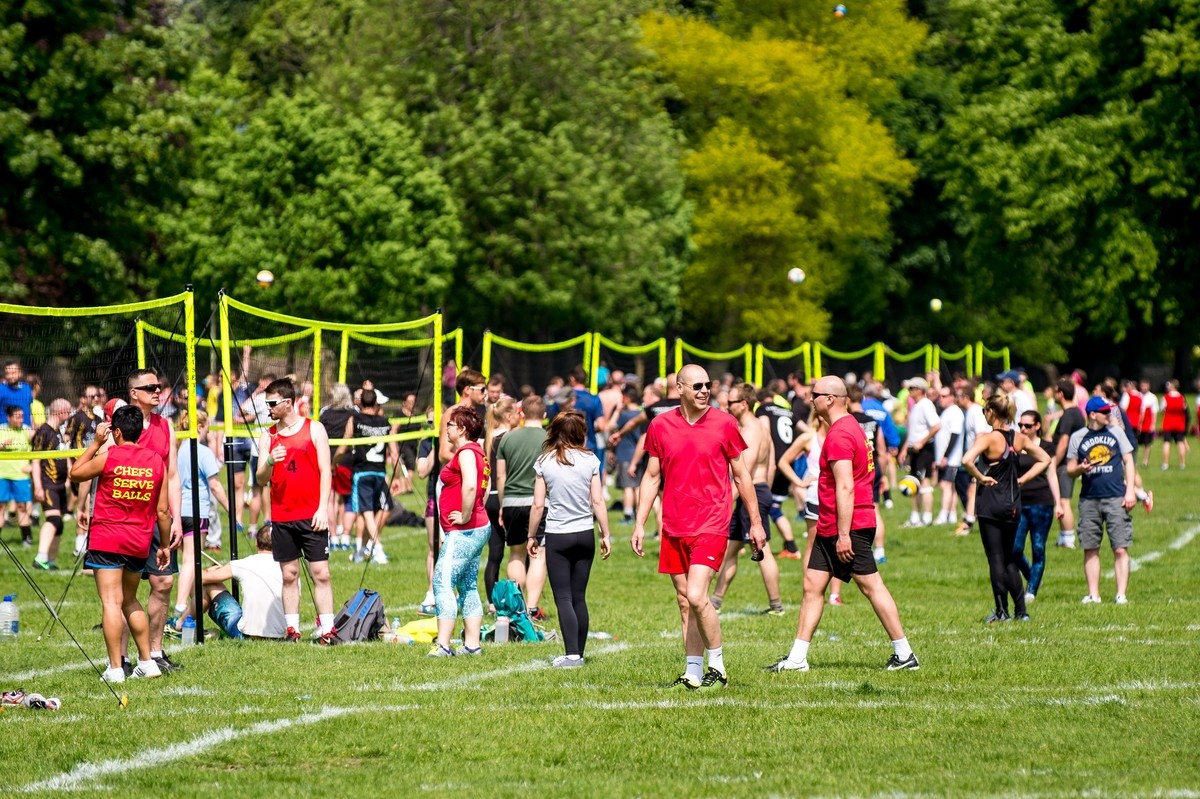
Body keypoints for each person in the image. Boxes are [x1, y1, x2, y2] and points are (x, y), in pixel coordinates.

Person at [766, 376, 918, 673]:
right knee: (812, 585)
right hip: (831, 523)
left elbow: (846, 486)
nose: (811, 400)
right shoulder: (850, 428)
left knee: (871, 586)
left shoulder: (839, 435)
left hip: (847, 525)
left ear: (831, 399)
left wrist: (845, 535)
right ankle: (797, 658)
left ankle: (904, 654)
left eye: (816, 395)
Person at [631, 365, 766, 691]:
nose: (705, 391)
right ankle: (692, 672)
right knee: (684, 600)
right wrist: (639, 522)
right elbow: (651, 476)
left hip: (712, 522)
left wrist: (756, 522)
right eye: (697, 386)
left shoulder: (724, 423)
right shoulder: (660, 425)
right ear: (680, 389)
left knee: (696, 595)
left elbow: (741, 474)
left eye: (708, 385)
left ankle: (717, 668)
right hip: (674, 525)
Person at [70, 406, 174, 683]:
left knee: (111, 603)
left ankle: (116, 669)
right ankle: (147, 662)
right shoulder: (155, 460)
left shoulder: (109, 456)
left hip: (107, 537)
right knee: (129, 599)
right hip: (139, 540)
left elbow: (76, 473)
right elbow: (163, 512)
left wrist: (95, 443)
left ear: (116, 431)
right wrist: (164, 546)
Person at [526, 410, 612, 667]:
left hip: (558, 535)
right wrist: (605, 534)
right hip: (585, 533)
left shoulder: (545, 461)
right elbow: (597, 500)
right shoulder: (590, 460)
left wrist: (531, 535)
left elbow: (538, 505)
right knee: (579, 597)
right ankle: (579, 652)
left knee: (562, 597)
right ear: (579, 433)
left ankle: (572, 654)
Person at [255, 377, 335, 643]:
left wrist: (323, 509)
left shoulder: (315, 428)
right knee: (289, 574)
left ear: (288, 403)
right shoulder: (268, 435)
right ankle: (293, 629)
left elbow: (326, 471)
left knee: (321, 573)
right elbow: (260, 478)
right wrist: (268, 460)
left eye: (273, 403)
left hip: (312, 515)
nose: (268, 407)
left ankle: (328, 629)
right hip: (283, 516)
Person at [962, 393, 1051, 623]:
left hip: (991, 503)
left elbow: (966, 461)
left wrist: (981, 477)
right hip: (1013, 505)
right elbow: (1045, 459)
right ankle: (1022, 612)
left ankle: (1002, 612)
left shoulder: (988, 438)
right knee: (1010, 558)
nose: (984, 414)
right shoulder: (1018, 438)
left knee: (996, 559)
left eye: (984, 411)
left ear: (992, 411)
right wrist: (1023, 480)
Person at [124, 369, 184, 672]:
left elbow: (173, 476)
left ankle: (157, 652)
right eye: (150, 387)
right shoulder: (121, 425)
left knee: (164, 582)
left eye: (159, 386)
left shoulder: (166, 425)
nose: (158, 391)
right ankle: (120, 658)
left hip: (158, 517)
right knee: (124, 589)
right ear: (134, 393)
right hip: (127, 517)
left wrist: (176, 520)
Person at [711, 383, 784, 615]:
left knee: (762, 551)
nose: (726, 406)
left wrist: (726, 502)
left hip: (750, 492)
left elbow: (745, 472)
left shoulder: (751, 430)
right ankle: (715, 600)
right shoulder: (761, 424)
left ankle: (776, 605)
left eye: (730, 402)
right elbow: (771, 464)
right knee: (731, 549)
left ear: (743, 405)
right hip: (757, 491)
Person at [429, 405, 490, 657]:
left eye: (450, 425)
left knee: (442, 582)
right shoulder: (478, 452)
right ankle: (472, 645)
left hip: (465, 529)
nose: (447, 429)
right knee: (468, 585)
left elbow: (471, 486)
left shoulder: (466, 452)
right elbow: (483, 492)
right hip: (476, 526)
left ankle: (443, 644)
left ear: (462, 429)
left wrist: (465, 515)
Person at [1067, 396, 1137, 605]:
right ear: (1092, 415)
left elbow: (1129, 461)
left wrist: (1130, 491)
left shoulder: (1116, 432)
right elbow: (1070, 469)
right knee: (1090, 547)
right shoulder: (1078, 437)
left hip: (1116, 496)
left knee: (1120, 547)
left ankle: (1120, 594)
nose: (1109, 415)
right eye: (1105, 412)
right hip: (1089, 499)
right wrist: (1080, 468)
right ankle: (1093, 595)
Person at [169, 410, 230, 635]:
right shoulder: (202, 452)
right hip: (196, 510)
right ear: (201, 426)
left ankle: (187, 607)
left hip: (177, 511)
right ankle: (181, 607)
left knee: (187, 560)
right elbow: (214, 485)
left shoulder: (176, 450)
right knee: (191, 560)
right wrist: (230, 509)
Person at [495, 394, 549, 618]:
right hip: (540, 502)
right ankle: (532, 607)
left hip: (511, 502)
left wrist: (501, 505)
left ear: (521, 413)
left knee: (516, 554)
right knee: (538, 554)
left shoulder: (508, 438)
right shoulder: (549, 438)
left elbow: (500, 476)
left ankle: (516, 606)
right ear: (544, 415)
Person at [187, 522, 287, 640]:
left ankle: (180, 624)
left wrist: (212, 569)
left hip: (247, 635)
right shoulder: (288, 569)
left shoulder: (246, 563)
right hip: (281, 635)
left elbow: (201, 577)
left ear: (256, 543)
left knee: (210, 585)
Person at [336, 389, 396, 563]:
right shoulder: (385, 422)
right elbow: (393, 448)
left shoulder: (354, 419)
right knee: (371, 511)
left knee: (369, 512)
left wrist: (334, 461)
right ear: (376, 403)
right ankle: (362, 551)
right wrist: (398, 472)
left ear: (360, 403)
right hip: (379, 472)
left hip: (363, 473)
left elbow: (344, 443)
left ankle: (376, 548)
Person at [1012, 411, 1062, 603]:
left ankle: (1031, 591)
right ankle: (1032, 575)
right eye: (1020, 425)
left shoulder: (1047, 448)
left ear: (1037, 426)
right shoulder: (1016, 446)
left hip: (1042, 503)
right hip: (1020, 503)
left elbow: (1052, 475)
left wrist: (1058, 503)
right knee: (1015, 549)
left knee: (1038, 547)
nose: (1023, 429)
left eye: (1027, 426)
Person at [755, 383, 803, 559]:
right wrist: (797, 452)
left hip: (771, 464)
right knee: (774, 506)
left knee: (767, 506)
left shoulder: (762, 410)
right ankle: (789, 547)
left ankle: (789, 546)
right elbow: (807, 432)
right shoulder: (787, 411)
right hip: (787, 463)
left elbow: (766, 435)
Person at [482, 397, 519, 604]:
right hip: (506, 498)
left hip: (489, 499)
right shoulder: (510, 438)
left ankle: (491, 604)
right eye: (516, 413)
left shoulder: (486, 438)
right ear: (508, 416)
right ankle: (519, 601)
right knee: (518, 553)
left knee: (494, 554)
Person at [31, 399, 73, 569]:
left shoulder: (57, 432)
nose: (69, 416)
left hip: (60, 485)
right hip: (48, 484)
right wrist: (38, 486)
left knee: (60, 524)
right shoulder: (44, 431)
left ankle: (51, 561)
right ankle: (40, 558)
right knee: (54, 519)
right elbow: (35, 460)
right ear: (59, 412)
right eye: (68, 411)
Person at [319, 383, 357, 551]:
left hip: (328, 459)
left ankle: (333, 535)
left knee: (330, 498)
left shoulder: (325, 414)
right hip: (347, 460)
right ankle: (345, 535)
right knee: (347, 498)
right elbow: (350, 436)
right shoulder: (353, 414)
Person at [898, 377, 940, 527]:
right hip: (914, 449)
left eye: (912, 388)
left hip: (924, 450)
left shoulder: (926, 405)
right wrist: (904, 449)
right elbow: (912, 431)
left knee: (925, 483)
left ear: (920, 390)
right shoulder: (915, 406)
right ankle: (915, 517)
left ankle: (927, 517)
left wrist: (922, 442)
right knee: (914, 482)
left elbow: (936, 426)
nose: (909, 391)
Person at [1051, 379, 1085, 548]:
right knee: (1063, 500)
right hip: (1072, 461)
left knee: (1064, 500)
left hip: (1064, 464)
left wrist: (1054, 463)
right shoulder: (1077, 413)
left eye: (1055, 391)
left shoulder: (1068, 415)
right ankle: (1064, 536)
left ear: (1061, 394)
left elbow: (1063, 442)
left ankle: (1068, 538)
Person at [0, 405, 34, 547]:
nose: (21, 419)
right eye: (17, 416)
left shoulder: (27, 431)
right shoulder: (1, 429)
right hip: (2, 475)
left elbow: (39, 449)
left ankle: (27, 538)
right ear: (9, 417)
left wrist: (32, 466)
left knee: (22, 507)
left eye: (22, 416)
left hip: (21, 475)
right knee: (1, 507)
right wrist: (2, 446)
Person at [933, 385, 964, 526]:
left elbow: (955, 434)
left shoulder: (955, 412)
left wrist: (945, 456)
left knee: (946, 485)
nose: (941, 399)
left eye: (944, 396)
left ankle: (944, 514)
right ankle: (951, 514)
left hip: (951, 457)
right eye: (940, 396)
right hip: (945, 456)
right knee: (950, 487)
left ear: (952, 397)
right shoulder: (947, 412)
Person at [1159, 379, 1189, 470]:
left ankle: (1165, 464)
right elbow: (1184, 408)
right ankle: (1182, 464)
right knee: (1180, 443)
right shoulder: (1182, 397)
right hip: (1179, 424)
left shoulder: (1165, 397)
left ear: (1172, 386)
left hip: (1168, 423)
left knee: (1166, 443)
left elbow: (1162, 409)